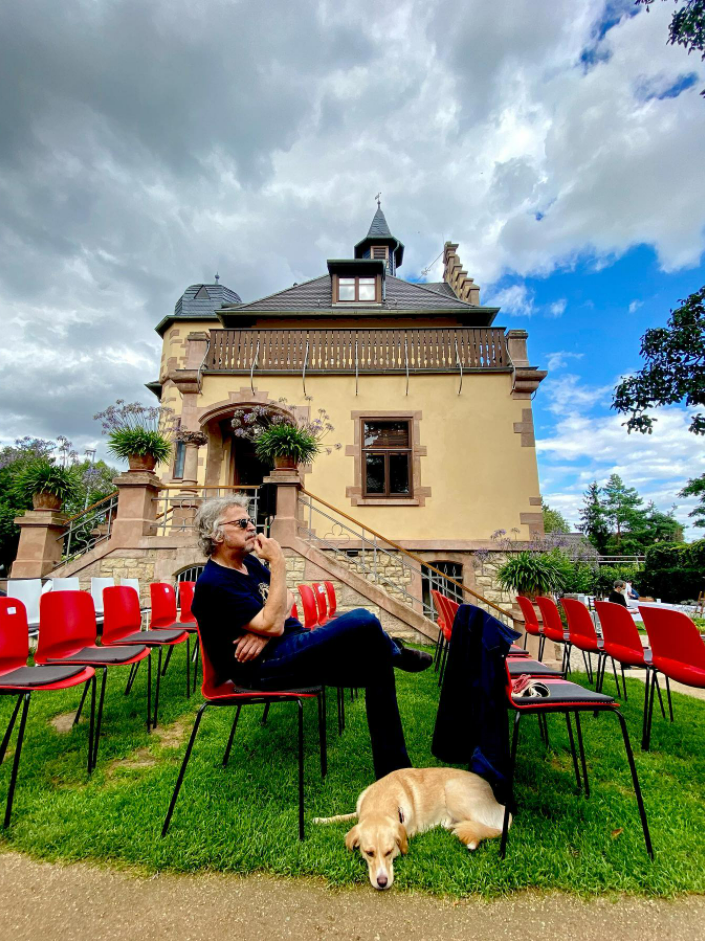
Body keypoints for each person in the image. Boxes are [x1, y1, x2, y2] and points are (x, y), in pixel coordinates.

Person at [191, 495, 432, 780]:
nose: (252, 527)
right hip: (262, 668)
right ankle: (397, 652)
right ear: (216, 534)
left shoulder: (250, 565)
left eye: (251, 520)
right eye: (242, 522)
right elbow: (274, 618)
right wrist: (278, 564)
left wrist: (266, 631)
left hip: (285, 647)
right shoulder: (214, 583)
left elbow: (287, 599)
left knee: (376, 666)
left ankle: (395, 772)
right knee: (362, 619)